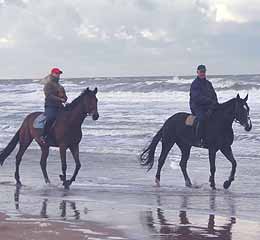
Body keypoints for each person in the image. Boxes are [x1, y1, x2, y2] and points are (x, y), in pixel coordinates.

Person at [189, 65, 218, 146]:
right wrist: (210, 101)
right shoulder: (195, 84)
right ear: (197, 72)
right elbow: (197, 98)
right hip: (197, 106)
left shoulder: (208, 84)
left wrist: (215, 103)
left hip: (208, 106)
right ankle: (198, 140)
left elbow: (214, 95)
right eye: (201, 72)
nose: (202, 73)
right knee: (202, 118)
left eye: (204, 72)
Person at [40, 68, 67, 145]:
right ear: (52, 74)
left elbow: (64, 96)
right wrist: (60, 99)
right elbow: (48, 95)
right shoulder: (48, 84)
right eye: (57, 73)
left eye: (59, 74)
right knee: (51, 117)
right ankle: (43, 136)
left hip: (59, 106)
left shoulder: (60, 86)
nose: (58, 75)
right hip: (50, 105)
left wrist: (65, 98)